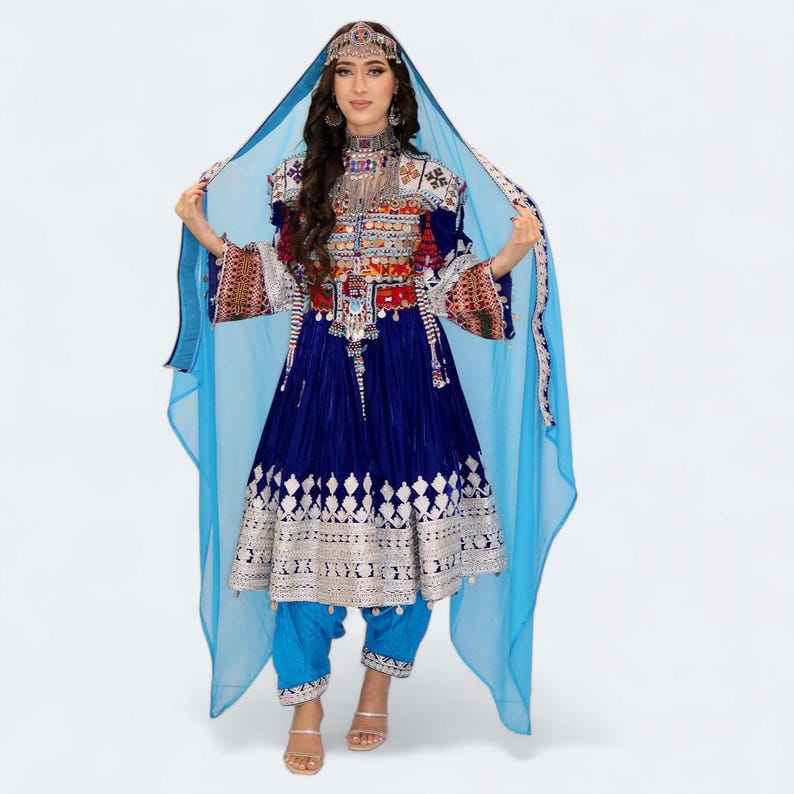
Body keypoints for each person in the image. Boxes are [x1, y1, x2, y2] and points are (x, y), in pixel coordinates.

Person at [166, 20, 577, 776]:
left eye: (375, 70)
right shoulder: (294, 181)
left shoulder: (432, 183)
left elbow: (448, 289)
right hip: (316, 372)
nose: (360, 85)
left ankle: (380, 683)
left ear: (397, 86)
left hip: (411, 375)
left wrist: (511, 254)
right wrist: (203, 230)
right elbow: (283, 280)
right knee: (299, 540)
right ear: (329, 89)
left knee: (412, 542)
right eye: (346, 71)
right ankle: (306, 702)